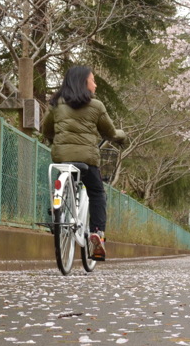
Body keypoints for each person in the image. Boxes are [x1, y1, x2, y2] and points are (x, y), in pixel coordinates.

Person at [41, 65, 126, 260]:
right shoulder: (96, 106)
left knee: (62, 184)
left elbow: (46, 130)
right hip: (87, 160)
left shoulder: (56, 104)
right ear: (83, 82)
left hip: (63, 158)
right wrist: (122, 136)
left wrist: (57, 140)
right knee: (97, 193)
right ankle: (98, 233)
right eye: (93, 80)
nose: (95, 84)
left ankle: (58, 214)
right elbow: (110, 133)